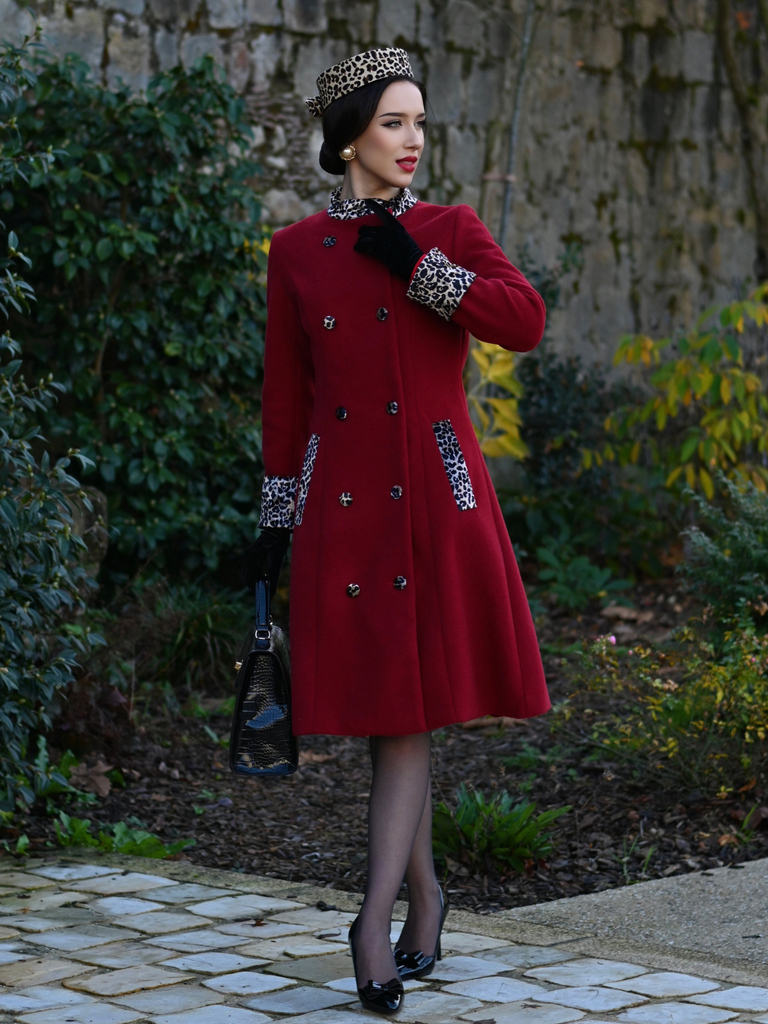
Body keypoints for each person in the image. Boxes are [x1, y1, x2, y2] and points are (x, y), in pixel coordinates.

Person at [242, 46, 551, 1016]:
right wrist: (273, 518)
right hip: (345, 513)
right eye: (394, 123)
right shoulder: (293, 253)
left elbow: (525, 320)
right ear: (348, 138)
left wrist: (419, 269)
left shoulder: (449, 230)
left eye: (421, 123)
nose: (414, 140)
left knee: (408, 712)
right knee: (390, 707)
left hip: (442, 499)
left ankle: (371, 921)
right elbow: (286, 400)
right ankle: (426, 892)